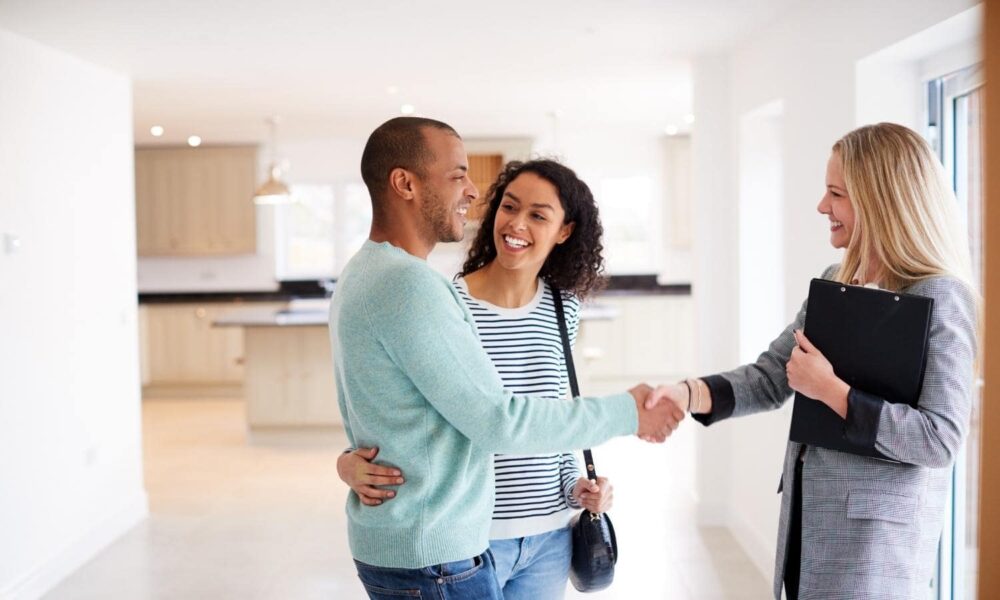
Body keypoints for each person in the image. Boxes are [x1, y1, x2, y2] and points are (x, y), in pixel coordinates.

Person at [330, 117, 684, 599]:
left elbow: (397, 407)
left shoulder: (371, 272)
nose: (472, 191)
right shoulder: (416, 288)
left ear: (564, 231)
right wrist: (629, 410)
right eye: (457, 174)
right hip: (441, 549)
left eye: (539, 215)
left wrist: (575, 484)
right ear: (405, 183)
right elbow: (498, 419)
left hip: (471, 540)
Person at [648, 122, 979, 599]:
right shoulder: (835, 279)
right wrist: (686, 393)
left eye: (836, 194)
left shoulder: (940, 297)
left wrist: (833, 392)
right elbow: (768, 378)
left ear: (878, 200)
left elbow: (940, 439)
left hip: (875, 550)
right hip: (807, 525)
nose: (823, 207)